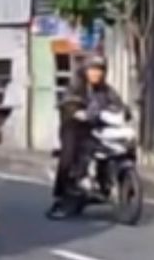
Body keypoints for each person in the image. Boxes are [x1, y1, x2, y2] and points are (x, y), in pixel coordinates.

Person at [46, 54, 127, 220]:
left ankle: (106, 181)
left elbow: (119, 104)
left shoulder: (106, 90)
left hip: (98, 127)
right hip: (74, 127)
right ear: (85, 70)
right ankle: (63, 193)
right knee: (68, 157)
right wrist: (74, 110)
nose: (96, 73)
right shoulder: (76, 86)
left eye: (100, 70)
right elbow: (67, 102)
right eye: (93, 69)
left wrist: (125, 112)